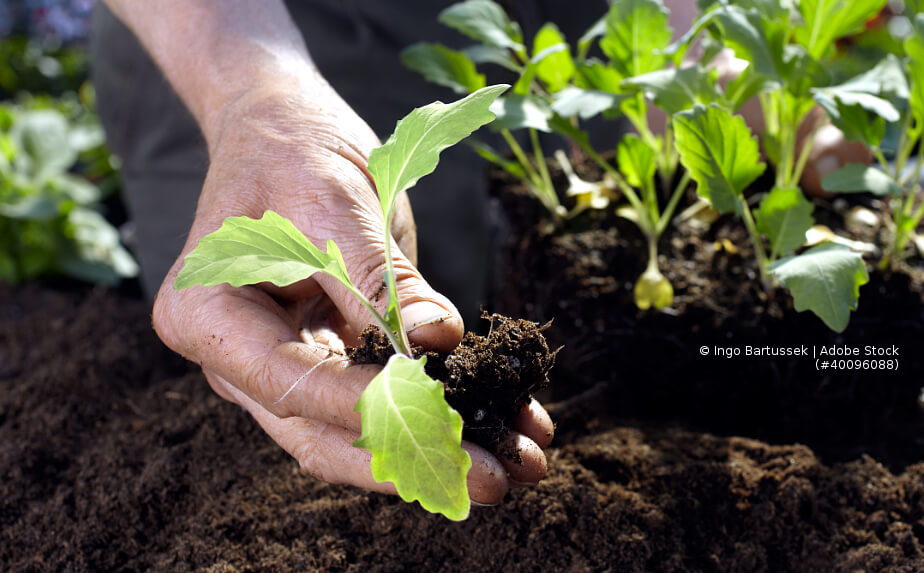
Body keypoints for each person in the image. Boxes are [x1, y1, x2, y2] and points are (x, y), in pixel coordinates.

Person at [91, 0, 868, 506]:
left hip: (565, 25)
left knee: (574, 274)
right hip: (251, 27)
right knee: (293, 325)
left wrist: (690, 39)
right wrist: (248, 85)